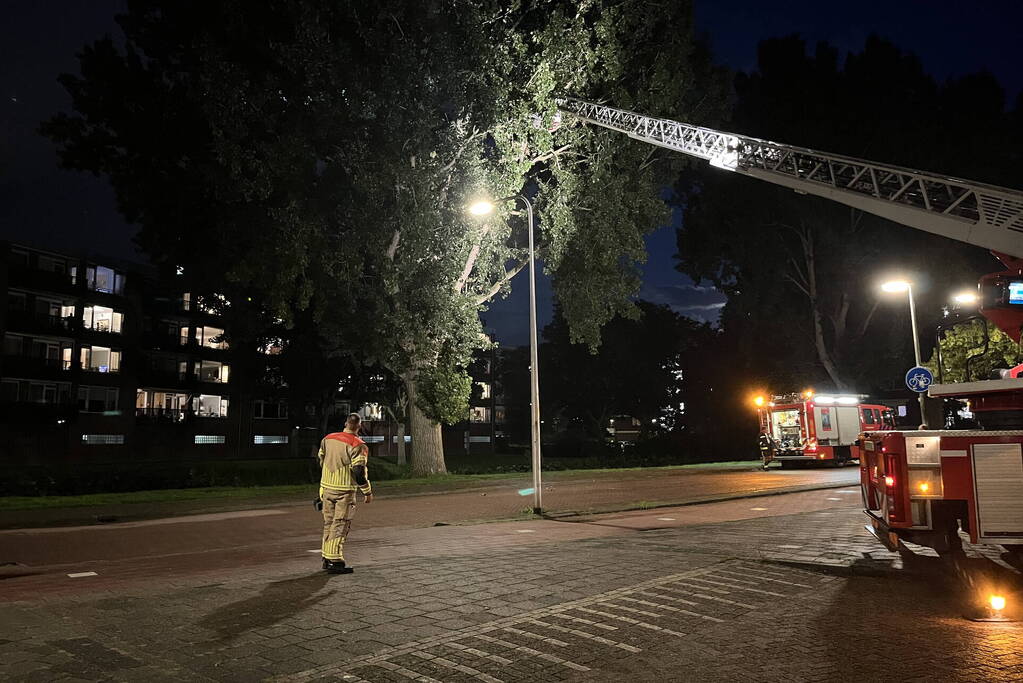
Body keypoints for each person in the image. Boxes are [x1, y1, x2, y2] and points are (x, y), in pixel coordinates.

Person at [317, 413, 373, 574]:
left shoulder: (328, 439)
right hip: (344, 490)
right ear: (359, 426)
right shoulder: (358, 445)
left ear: (345, 423)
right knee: (341, 523)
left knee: (329, 522)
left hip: (327, 487)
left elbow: (320, 459)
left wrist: (324, 482)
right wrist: (367, 492)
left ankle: (326, 557)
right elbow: (358, 471)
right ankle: (335, 560)